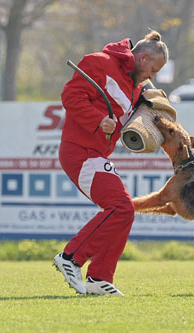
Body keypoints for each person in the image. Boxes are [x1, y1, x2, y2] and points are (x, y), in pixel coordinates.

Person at [53, 30, 169, 296]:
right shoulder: (98, 62)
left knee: (124, 211)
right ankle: (71, 257)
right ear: (142, 57)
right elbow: (70, 96)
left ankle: (98, 279)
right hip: (78, 151)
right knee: (120, 206)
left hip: (95, 155)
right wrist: (97, 119)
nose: (154, 76)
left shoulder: (136, 85)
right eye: (154, 69)